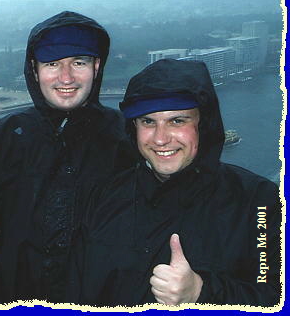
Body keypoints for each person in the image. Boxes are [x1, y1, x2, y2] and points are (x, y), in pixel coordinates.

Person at [0, 11, 130, 304]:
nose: (66, 77)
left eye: (78, 62)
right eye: (52, 64)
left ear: (96, 66)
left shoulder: (127, 137)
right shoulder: (5, 137)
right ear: (35, 71)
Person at [77, 59, 281, 307]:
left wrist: (201, 292)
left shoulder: (259, 203)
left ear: (203, 125)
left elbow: (275, 298)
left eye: (177, 121)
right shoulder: (104, 196)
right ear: (133, 128)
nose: (160, 139)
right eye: (148, 122)